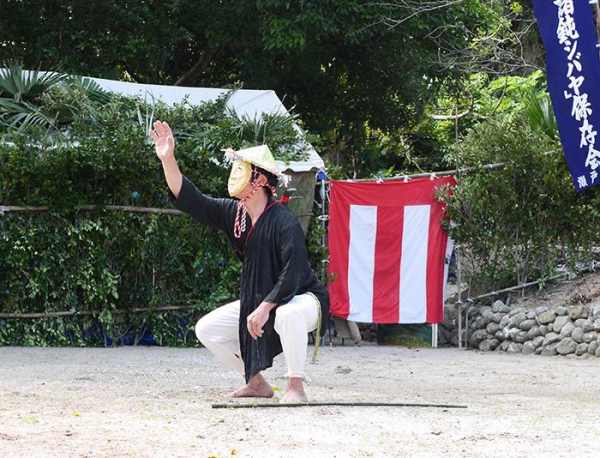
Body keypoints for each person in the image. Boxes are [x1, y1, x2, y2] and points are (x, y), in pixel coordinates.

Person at [149, 121, 330, 403]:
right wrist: (168, 159)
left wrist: (265, 308)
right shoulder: (235, 214)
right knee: (207, 329)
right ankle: (256, 383)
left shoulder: (284, 222)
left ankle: (296, 386)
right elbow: (192, 200)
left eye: (241, 169)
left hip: (303, 299)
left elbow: (293, 273)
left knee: (286, 313)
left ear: (258, 180)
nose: (234, 175)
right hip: (264, 299)